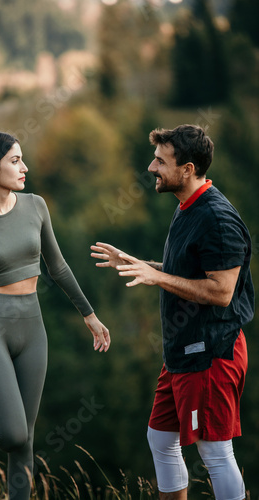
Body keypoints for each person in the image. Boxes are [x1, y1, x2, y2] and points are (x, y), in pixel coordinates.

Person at [0, 131, 110, 500]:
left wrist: (89, 315)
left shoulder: (36, 206)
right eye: (15, 160)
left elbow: (58, 267)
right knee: (12, 435)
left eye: (22, 159)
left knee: (25, 441)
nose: (24, 167)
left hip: (33, 326)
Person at [91, 124, 254, 500]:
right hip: (183, 351)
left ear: (188, 169)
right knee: (160, 438)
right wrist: (138, 264)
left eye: (161, 161)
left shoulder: (218, 219)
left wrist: (156, 277)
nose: (151, 167)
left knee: (215, 452)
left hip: (211, 353)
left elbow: (222, 292)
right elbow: (187, 270)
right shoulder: (188, 207)